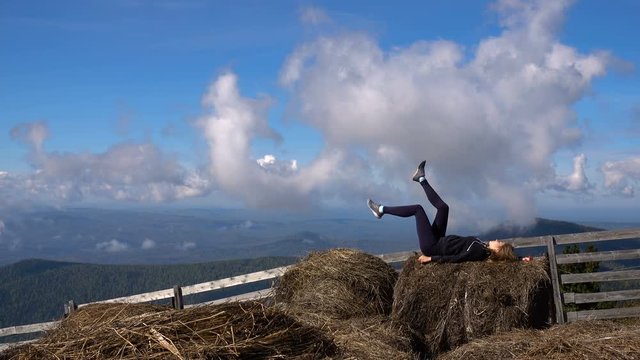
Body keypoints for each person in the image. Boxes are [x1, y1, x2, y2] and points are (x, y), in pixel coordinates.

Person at [367, 160, 517, 264]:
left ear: (498, 251)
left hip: (432, 246)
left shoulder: (479, 252)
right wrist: (521, 259)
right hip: (440, 239)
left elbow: (457, 258)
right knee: (444, 208)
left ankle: (380, 210)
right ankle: (420, 178)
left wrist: (431, 259)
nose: (498, 240)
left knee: (418, 209)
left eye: (500, 243)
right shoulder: (482, 246)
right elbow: (510, 258)